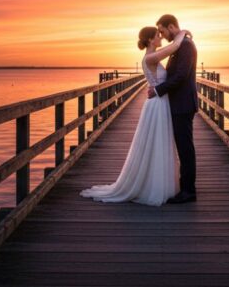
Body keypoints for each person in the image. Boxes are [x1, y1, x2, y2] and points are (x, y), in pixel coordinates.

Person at [79, 25, 191, 206]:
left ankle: (160, 182)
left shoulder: (153, 54)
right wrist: (183, 32)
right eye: (157, 35)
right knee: (157, 142)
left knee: (159, 142)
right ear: (149, 40)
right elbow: (175, 47)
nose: (161, 37)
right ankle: (153, 185)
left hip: (159, 102)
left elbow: (170, 49)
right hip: (157, 104)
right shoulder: (151, 57)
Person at [148, 14, 198, 204]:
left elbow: (181, 77)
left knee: (185, 148)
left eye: (162, 30)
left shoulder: (186, 46)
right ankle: (185, 187)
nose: (161, 34)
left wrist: (158, 90)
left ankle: (189, 191)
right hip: (179, 104)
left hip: (183, 105)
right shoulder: (180, 44)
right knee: (183, 147)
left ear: (171, 26)